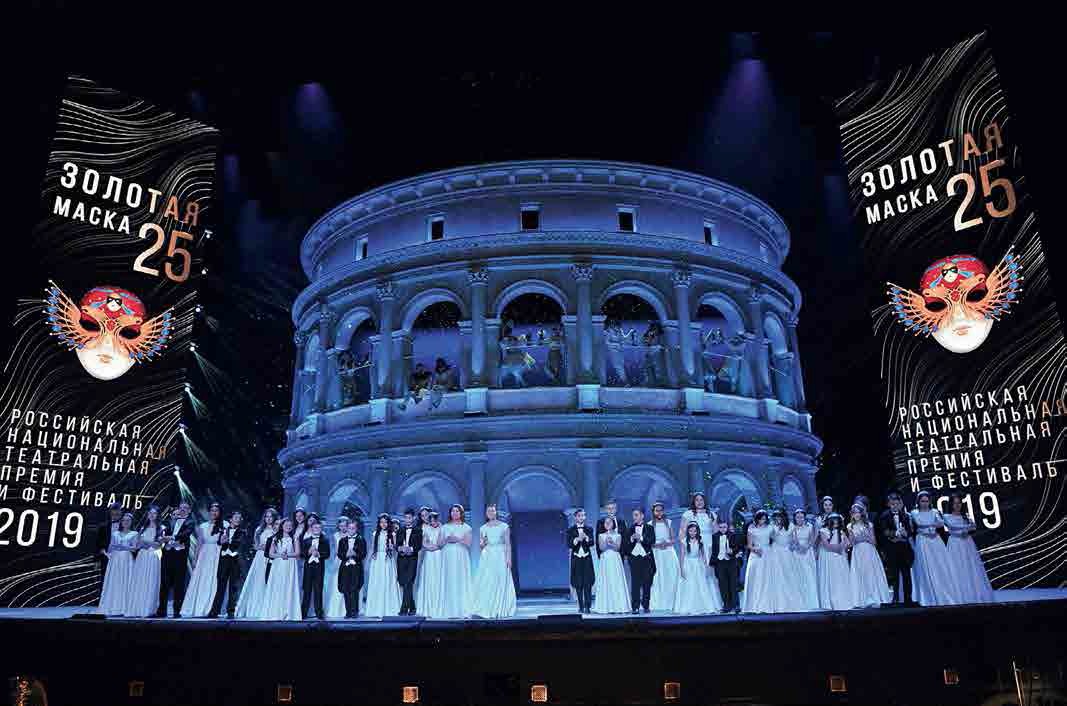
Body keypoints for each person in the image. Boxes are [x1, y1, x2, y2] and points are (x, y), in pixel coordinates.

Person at [910, 490, 961, 606]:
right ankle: (928, 596)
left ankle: (943, 593)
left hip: (935, 541)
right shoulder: (914, 512)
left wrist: (932, 524)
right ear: (918, 502)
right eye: (922, 501)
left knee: (940, 566)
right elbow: (919, 523)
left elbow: (941, 523)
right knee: (926, 567)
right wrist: (931, 525)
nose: (925, 503)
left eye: (927, 501)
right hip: (923, 541)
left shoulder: (935, 511)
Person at [943, 492, 995, 604]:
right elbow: (953, 526)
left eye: (959, 503)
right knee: (958, 568)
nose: (957, 505)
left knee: (971, 567)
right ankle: (961, 595)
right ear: (951, 504)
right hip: (955, 544)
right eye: (955, 503)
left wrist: (967, 529)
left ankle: (975, 594)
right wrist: (967, 528)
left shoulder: (965, 516)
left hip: (967, 543)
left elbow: (974, 526)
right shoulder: (946, 516)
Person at [470, 504, 517, 618]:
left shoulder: (504, 526)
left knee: (500, 578)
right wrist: (483, 543)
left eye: (492, 511)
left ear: (496, 512)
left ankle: (500, 608)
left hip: (500, 554)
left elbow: (508, 544)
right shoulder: (483, 528)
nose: (490, 513)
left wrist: (509, 559)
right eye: (488, 511)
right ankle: (487, 607)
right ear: (486, 514)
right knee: (487, 580)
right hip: (487, 555)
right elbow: (481, 545)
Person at [181, 502, 226, 617]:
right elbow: (199, 543)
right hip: (205, 555)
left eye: (216, 510)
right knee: (202, 579)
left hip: (218, 554)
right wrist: (195, 559)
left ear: (219, 512)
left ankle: (213, 608)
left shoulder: (224, 525)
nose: (214, 513)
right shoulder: (203, 526)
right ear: (209, 512)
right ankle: (199, 606)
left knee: (215, 580)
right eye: (212, 510)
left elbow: (226, 542)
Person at [236, 507, 278, 618]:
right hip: (259, 558)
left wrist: (269, 548)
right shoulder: (259, 529)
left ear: (274, 518)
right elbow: (255, 545)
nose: (268, 519)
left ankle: (268, 608)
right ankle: (255, 608)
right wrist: (260, 547)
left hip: (271, 557)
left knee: (269, 580)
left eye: (271, 517)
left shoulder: (276, 529)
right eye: (266, 516)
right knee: (257, 581)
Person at [847, 503, 891, 608]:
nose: (856, 515)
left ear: (862, 513)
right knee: (860, 573)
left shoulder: (869, 525)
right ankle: (861, 599)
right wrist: (855, 539)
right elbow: (851, 543)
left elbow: (874, 541)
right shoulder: (850, 526)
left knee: (870, 573)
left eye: (858, 512)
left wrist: (865, 537)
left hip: (869, 551)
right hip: (857, 552)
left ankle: (874, 596)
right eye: (854, 513)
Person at [155, 501, 194, 618]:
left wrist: (171, 537)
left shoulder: (190, 522)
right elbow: (163, 533)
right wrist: (163, 538)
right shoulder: (171, 520)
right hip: (167, 554)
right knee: (164, 583)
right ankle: (161, 610)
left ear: (189, 510)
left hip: (180, 556)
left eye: (185, 508)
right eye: (181, 507)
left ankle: (177, 611)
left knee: (178, 584)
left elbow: (186, 534)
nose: (182, 510)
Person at [207, 510, 248, 618]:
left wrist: (228, 541)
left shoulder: (242, 531)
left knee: (233, 587)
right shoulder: (224, 530)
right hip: (224, 560)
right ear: (230, 519)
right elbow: (219, 542)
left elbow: (240, 543)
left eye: (239, 518)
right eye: (236, 517)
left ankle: (231, 612)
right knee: (220, 587)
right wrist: (221, 541)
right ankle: (214, 612)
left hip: (235, 561)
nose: (238, 520)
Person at [878, 492, 915, 606]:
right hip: (892, 550)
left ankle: (908, 598)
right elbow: (884, 531)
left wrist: (905, 533)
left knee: (906, 574)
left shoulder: (905, 515)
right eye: (892, 504)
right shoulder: (884, 516)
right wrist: (895, 533)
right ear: (889, 504)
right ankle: (895, 598)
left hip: (904, 549)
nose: (895, 506)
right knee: (894, 575)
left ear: (900, 504)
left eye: (897, 503)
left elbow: (910, 531)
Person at [675, 522, 721, 614]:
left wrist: (706, 566)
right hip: (688, 564)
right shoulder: (684, 541)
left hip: (698, 564)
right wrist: (682, 569)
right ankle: (688, 606)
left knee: (701, 584)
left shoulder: (700, 540)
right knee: (689, 585)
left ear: (697, 532)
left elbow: (703, 555)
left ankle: (703, 605)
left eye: (694, 531)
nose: (692, 533)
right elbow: (682, 556)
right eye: (691, 531)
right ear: (688, 531)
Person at [98, 512, 138, 616]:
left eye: (128, 520)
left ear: (131, 522)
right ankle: (113, 607)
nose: (126, 522)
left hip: (127, 559)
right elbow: (111, 547)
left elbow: (134, 549)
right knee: (114, 581)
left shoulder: (134, 533)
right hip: (115, 560)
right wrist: (108, 552)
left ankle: (124, 607)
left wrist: (123, 547)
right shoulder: (115, 533)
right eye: (124, 520)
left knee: (126, 581)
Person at [263, 517, 302, 620]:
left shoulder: (294, 538)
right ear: (282, 526)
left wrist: (287, 555)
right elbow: (270, 554)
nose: (288, 527)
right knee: (278, 586)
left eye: (290, 525)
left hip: (290, 565)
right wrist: (281, 555)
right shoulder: (276, 538)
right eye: (286, 525)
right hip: (278, 565)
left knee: (289, 586)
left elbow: (298, 553)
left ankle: (289, 612)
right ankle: (276, 611)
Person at [440, 504, 473, 619]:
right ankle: (449, 610)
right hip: (448, 556)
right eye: (453, 511)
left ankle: (462, 610)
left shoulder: (466, 527)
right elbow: (439, 544)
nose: (455, 513)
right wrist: (447, 540)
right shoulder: (444, 527)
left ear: (461, 513)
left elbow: (468, 543)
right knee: (449, 580)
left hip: (461, 556)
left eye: (457, 511)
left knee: (460, 580)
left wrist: (457, 539)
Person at [365, 513, 401, 617]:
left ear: (388, 523)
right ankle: (375, 609)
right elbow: (372, 547)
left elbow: (395, 548)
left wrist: (392, 547)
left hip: (388, 559)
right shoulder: (375, 534)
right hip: (377, 560)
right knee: (377, 582)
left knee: (387, 581)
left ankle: (389, 608)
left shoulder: (392, 534)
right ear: (379, 523)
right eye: (381, 522)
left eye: (385, 522)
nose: (383, 524)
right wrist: (368, 561)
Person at [592, 515, 629, 614]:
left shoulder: (618, 535)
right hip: (605, 559)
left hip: (615, 559)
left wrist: (611, 542)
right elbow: (601, 548)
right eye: (606, 522)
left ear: (613, 524)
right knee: (606, 579)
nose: (608, 524)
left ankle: (619, 606)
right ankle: (605, 606)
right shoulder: (601, 535)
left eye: (610, 522)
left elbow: (617, 548)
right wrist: (606, 542)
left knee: (616, 579)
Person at [817, 513, 853, 610]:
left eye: (837, 520)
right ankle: (829, 602)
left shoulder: (841, 531)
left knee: (839, 579)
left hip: (839, 559)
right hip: (829, 558)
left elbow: (848, 544)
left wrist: (844, 545)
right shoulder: (823, 531)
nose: (836, 522)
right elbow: (827, 546)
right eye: (834, 520)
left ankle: (841, 599)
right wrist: (839, 548)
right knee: (830, 579)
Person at [768, 509, 802, 613]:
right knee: (777, 575)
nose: (778, 518)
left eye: (780, 516)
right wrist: (776, 530)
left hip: (786, 552)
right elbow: (771, 539)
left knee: (788, 575)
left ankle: (790, 601)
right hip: (775, 552)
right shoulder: (772, 526)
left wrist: (793, 546)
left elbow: (794, 540)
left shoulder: (791, 526)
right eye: (776, 517)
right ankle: (778, 602)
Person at [742, 510, 776, 613]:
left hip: (768, 554)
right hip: (756, 554)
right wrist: (755, 550)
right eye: (761, 519)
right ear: (757, 519)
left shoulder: (770, 528)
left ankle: (767, 603)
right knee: (756, 577)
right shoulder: (751, 528)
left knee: (767, 577)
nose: (762, 521)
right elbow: (749, 545)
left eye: (764, 519)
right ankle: (754, 604)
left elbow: (775, 540)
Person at [649, 501, 679, 612]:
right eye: (657, 510)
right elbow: (649, 541)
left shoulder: (669, 523)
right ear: (653, 512)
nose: (659, 512)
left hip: (668, 552)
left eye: (661, 510)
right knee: (658, 576)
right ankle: (658, 602)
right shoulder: (650, 524)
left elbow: (673, 539)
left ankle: (671, 601)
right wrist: (657, 545)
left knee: (671, 575)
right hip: (656, 552)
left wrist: (667, 543)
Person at [788, 509, 820, 612]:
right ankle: (799, 601)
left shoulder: (809, 526)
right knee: (798, 575)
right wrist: (798, 547)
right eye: (798, 517)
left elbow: (812, 539)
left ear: (804, 517)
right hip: (796, 552)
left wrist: (806, 547)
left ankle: (811, 602)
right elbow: (792, 540)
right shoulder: (792, 527)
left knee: (809, 575)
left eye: (801, 517)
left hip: (807, 552)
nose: (800, 519)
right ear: (795, 518)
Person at [416, 510, 446, 618]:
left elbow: (442, 542)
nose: (433, 522)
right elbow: (424, 542)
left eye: (434, 520)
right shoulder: (426, 529)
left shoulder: (442, 528)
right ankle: (427, 608)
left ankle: (438, 608)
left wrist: (436, 547)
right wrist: (429, 547)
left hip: (438, 555)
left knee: (438, 578)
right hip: (429, 555)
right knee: (429, 578)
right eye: (431, 520)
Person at [709, 519, 743, 613]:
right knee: (723, 584)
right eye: (720, 527)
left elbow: (738, 547)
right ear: (718, 527)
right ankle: (726, 605)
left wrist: (732, 551)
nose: (723, 529)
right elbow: (714, 550)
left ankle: (736, 605)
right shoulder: (715, 536)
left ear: (727, 527)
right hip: (720, 562)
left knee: (733, 584)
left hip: (731, 561)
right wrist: (713, 562)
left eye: (724, 527)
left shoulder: (733, 535)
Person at [567, 508, 596, 614]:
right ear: (575, 517)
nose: (581, 517)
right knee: (578, 583)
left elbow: (592, 542)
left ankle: (588, 606)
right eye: (579, 516)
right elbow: (569, 544)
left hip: (586, 558)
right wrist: (577, 539)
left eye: (583, 515)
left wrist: (586, 538)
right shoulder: (571, 530)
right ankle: (581, 606)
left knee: (587, 583)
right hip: (576, 559)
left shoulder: (589, 529)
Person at [300, 517, 330, 619]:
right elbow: (302, 554)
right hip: (308, 568)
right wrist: (308, 552)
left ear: (321, 529)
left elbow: (327, 554)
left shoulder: (325, 540)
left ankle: (319, 613)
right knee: (307, 590)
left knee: (318, 590)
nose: (317, 529)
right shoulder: (306, 541)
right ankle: (303, 613)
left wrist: (319, 554)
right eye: (315, 528)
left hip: (319, 568)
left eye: (319, 528)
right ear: (311, 528)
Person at [627, 508, 656, 614]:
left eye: (636, 515)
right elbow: (626, 545)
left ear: (642, 516)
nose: (634, 517)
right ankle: (635, 607)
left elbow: (652, 541)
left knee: (647, 584)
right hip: (635, 559)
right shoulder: (630, 529)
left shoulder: (649, 528)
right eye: (633, 515)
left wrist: (641, 538)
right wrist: (631, 539)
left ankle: (646, 605)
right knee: (635, 584)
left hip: (646, 559)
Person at [336, 518, 367, 619]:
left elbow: (363, 554)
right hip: (345, 567)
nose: (351, 530)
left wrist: (355, 554)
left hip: (356, 568)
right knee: (346, 589)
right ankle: (348, 612)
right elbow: (339, 554)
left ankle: (354, 611)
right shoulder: (342, 540)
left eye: (353, 528)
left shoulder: (361, 540)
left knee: (354, 589)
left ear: (356, 529)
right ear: (347, 528)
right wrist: (346, 555)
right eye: (349, 528)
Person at [395, 508, 423, 615]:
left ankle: (404, 609)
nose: (407, 520)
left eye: (409, 518)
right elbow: (397, 545)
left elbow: (418, 545)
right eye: (406, 518)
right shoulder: (400, 530)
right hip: (401, 559)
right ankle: (412, 607)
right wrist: (400, 548)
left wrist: (410, 549)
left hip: (412, 559)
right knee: (403, 582)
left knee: (408, 582)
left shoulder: (418, 530)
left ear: (413, 518)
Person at [95, 502, 123, 603]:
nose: (115, 515)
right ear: (110, 513)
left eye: (117, 513)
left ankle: (117, 601)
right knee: (105, 579)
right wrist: (98, 558)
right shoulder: (103, 527)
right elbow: (98, 544)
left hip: (121, 557)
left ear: (120, 513)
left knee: (119, 579)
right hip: (106, 556)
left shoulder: (125, 526)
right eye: (113, 513)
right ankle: (103, 601)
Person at [324, 516, 349, 619]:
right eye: (341, 525)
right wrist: (334, 562)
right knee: (336, 582)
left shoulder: (351, 534)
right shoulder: (335, 535)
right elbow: (334, 549)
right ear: (338, 526)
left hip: (349, 558)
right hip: (339, 559)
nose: (343, 527)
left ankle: (347, 608)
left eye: (345, 525)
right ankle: (336, 608)